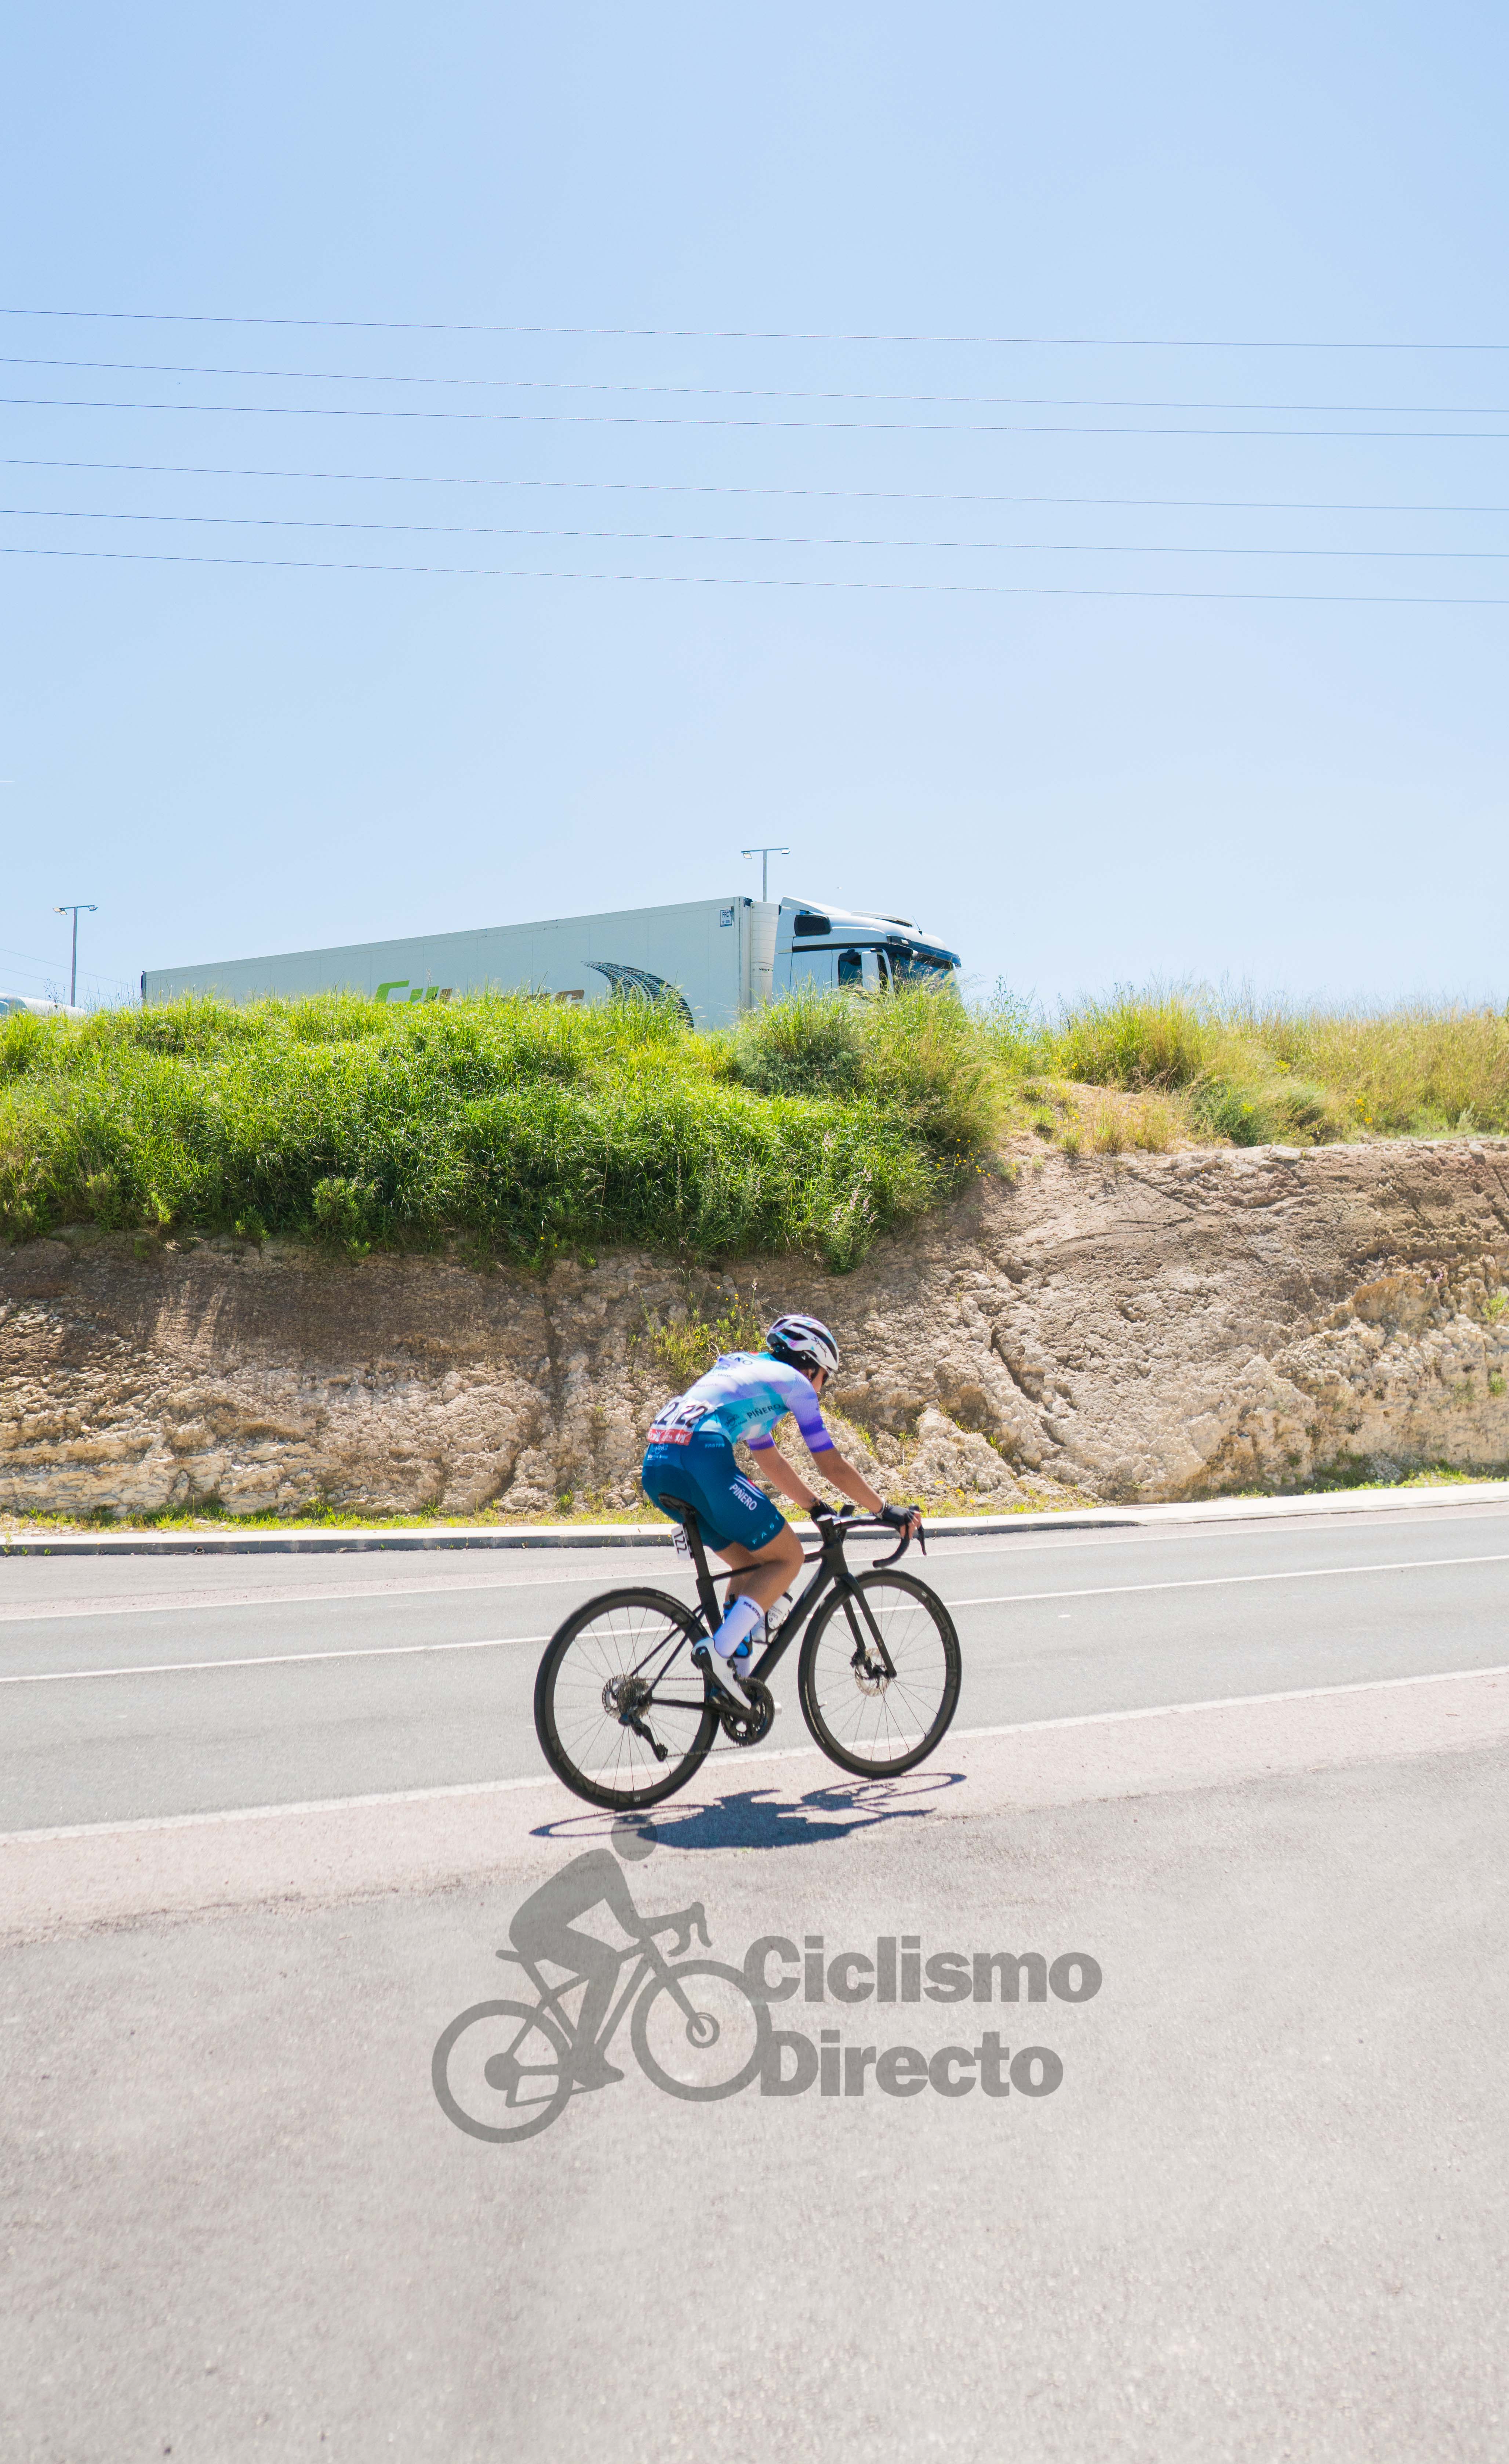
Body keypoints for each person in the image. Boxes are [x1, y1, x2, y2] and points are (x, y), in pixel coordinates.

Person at [640, 1312, 921, 1712]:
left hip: (658, 1465)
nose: (821, 1388)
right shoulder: (796, 1384)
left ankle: (737, 1685)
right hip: (701, 1456)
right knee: (788, 1557)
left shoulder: (750, 1373)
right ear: (811, 1366)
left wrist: (815, 1506)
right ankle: (717, 1653)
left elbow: (769, 1459)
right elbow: (832, 1465)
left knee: (750, 1565)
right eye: (825, 1377)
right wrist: (884, 1509)